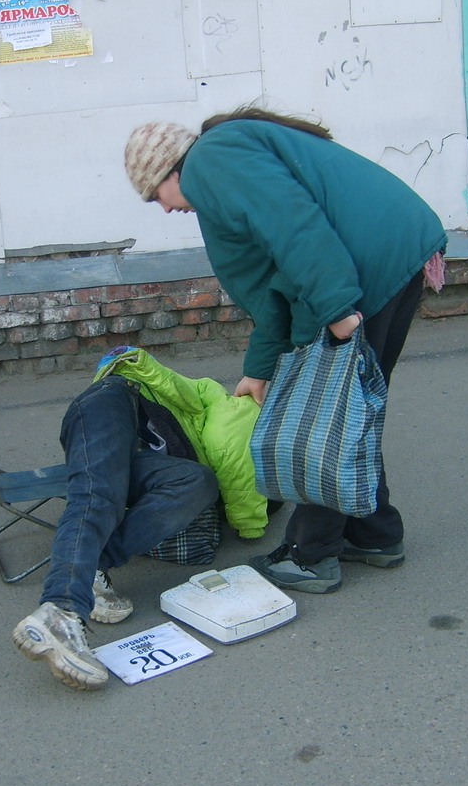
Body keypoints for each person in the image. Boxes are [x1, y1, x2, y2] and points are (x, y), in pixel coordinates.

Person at [123, 105, 448, 595]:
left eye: (155, 197)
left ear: (170, 170)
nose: (166, 209)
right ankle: (374, 535)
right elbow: (273, 279)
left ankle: (310, 556)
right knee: (349, 411)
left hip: (363, 271)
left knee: (325, 421)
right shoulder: (224, 166)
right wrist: (258, 369)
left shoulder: (211, 161)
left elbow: (293, 227)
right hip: (391, 253)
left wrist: (336, 308)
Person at [12, 348, 267, 691]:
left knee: (198, 482)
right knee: (97, 495)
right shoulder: (243, 410)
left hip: (136, 449)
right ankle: (61, 609)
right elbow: (235, 466)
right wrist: (250, 525)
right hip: (113, 400)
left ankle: (93, 567)